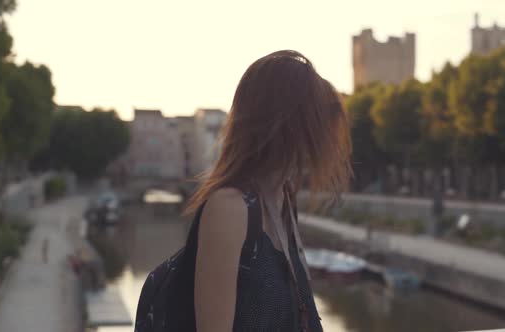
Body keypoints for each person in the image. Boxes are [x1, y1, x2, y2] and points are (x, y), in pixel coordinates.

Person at [135, 50, 352, 332]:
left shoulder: (283, 199)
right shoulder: (230, 209)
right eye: (318, 121)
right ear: (285, 123)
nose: (328, 138)